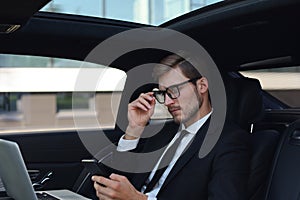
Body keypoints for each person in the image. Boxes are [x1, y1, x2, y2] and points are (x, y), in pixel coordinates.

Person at [91, 54, 250, 199]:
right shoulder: (160, 132)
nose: (167, 102)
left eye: (174, 90)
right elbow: (118, 183)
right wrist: (134, 129)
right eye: (163, 94)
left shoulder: (229, 140)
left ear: (201, 86)